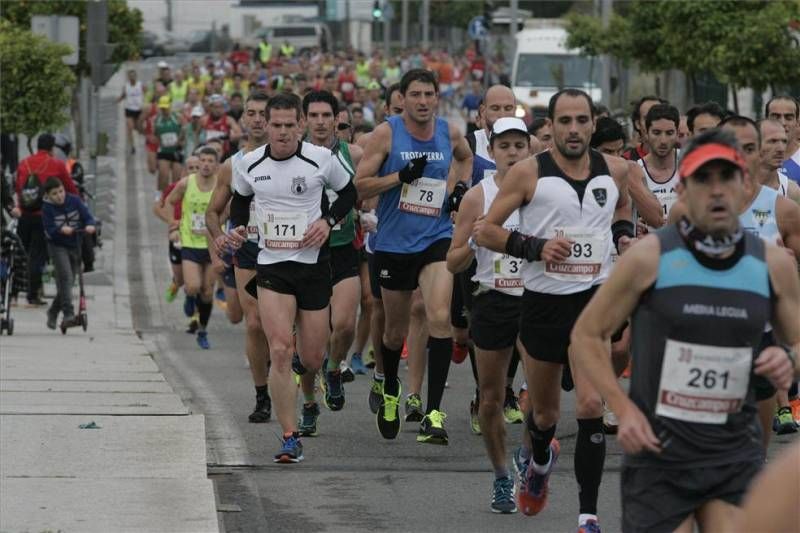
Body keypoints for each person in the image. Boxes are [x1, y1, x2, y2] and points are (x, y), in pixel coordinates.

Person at [571, 128, 800, 533]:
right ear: (683, 188)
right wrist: (621, 409)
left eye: (725, 178)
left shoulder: (772, 264)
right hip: (660, 453)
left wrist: (788, 359)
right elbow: (587, 334)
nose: (716, 191)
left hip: (732, 449)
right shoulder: (649, 258)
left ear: (744, 183)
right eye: (702, 179)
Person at [472, 88, 633, 531]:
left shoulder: (615, 170)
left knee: (588, 405)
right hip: (543, 303)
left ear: (593, 125)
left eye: (583, 121)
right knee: (543, 415)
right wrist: (535, 247)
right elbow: (485, 232)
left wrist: (621, 235)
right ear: (553, 125)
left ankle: (588, 515)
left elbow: (623, 206)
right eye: (566, 121)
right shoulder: (527, 174)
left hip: (593, 304)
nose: (575, 129)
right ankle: (539, 461)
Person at [226, 93, 357, 463]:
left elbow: (349, 193)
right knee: (280, 350)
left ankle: (311, 382)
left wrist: (327, 222)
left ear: (299, 125)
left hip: (314, 266)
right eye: (276, 125)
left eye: (289, 125)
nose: (282, 133)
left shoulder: (321, 159)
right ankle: (289, 436)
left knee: (311, 357)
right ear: (265, 125)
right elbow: (240, 200)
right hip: (272, 267)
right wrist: (237, 228)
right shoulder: (249, 164)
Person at [354, 69, 473, 445]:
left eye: (429, 94)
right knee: (393, 332)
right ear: (402, 99)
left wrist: (459, 191)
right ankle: (391, 387)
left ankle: (433, 413)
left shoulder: (449, 131)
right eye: (415, 94)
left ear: (438, 97)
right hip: (393, 244)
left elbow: (465, 159)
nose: (422, 101)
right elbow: (360, 185)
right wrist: (400, 177)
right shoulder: (386, 133)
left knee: (439, 317)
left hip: (436, 238)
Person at [669, 116, 800, 441]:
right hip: (700, 346)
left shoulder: (784, 209)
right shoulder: (685, 210)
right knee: (703, 453)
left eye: (750, 148)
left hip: (761, 340)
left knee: (754, 454)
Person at [447, 117, 531, 513]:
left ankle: (529, 456)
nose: (512, 153)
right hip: (493, 300)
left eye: (519, 145)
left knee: (544, 401)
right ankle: (501, 477)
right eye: (505, 146)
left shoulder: (546, 192)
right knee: (491, 398)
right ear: (492, 151)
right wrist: (474, 241)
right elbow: (452, 261)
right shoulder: (477, 197)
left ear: (529, 149)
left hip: (537, 300)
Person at [292, 90, 363, 434]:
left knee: (346, 324)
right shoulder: (292, 154)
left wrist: (367, 213)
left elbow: (363, 190)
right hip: (304, 254)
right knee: (309, 346)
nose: (320, 122)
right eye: (314, 116)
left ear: (336, 119)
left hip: (343, 248)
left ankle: (334, 368)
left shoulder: (355, 153)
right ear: (304, 120)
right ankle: (308, 404)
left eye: (326, 115)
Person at [206, 91, 274, 423]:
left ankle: (288, 368)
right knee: (256, 322)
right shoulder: (232, 165)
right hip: (249, 250)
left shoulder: (295, 156)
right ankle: (262, 396)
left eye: (264, 113)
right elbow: (212, 213)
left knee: (288, 326)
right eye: (252, 113)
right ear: (243, 119)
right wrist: (221, 242)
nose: (258, 119)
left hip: (290, 250)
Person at [12, 133, 79, 306]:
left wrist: (21, 204)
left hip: (25, 215)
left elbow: (19, 187)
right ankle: (32, 294)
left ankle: (11, 294)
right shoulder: (56, 164)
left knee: (20, 253)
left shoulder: (24, 163)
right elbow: (69, 189)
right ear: (51, 148)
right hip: (45, 216)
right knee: (38, 256)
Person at [165, 147, 219, 349]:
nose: (205, 164)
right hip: (189, 242)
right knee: (194, 286)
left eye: (210, 161)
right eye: (202, 160)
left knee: (207, 291)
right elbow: (170, 201)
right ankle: (189, 294)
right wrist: (174, 223)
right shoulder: (187, 182)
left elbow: (230, 210)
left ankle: (202, 330)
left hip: (213, 245)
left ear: (216, 164)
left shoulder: (221, 186)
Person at [41, 177, 96, 329]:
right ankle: (68, 313)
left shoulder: (74, 201)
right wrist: (60, 230)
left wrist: (90, 225)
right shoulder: (47, 209)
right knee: (65, 276)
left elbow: (87, 217)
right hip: (57, 246)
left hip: (75, 244)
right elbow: (49, 230)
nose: (59, 196)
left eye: (61, 191)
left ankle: (52, 311)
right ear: (48, 196)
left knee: (69, 282)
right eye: (54, 194)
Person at [637, 103, 681, 229]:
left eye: (669, 133)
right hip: (649, 245)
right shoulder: (636, 171)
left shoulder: (689, 164)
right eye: (656, 132)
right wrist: (633, 224)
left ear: (677, 133)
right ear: (646, 133)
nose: (663, 140)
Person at [759, 118, 800, 202]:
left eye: (784, 141)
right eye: (773, 141)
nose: (781, 149)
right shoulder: (738, 186)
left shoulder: (791, 191)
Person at [765, 95, 800, 184]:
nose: (782, 123)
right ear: (766, 120)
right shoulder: (754, 158)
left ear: (797, 122)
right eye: (776, 117)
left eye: (788, 118)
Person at [154, 95, 185, 192]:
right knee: (163, 176)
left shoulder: (177, 117)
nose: (164, 110)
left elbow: (184, 130)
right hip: (164, 151)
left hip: (176, 151)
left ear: (170, 106)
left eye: (166, 108)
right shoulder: (157, 120)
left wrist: (179, 141)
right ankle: (161, 197)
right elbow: (156, 134)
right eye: (162, 108)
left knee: (176, 179)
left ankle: (174, 199)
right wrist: (161, 143)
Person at [622, 95, 664, 161]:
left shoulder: (679, 158)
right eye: (647, 118)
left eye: (658, 118)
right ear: (638, 124)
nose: (653, 125)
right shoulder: (626, 161)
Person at [201, 94, 242, 159]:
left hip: (225, 153)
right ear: (210, 108)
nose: (218, 110)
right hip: (208, 153)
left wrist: (231, 137)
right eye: (216, 107)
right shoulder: (204, 120)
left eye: (220, 107)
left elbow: (239, 134)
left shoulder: (229, 120)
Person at [118, 69, 144, 154]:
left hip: (138, 109)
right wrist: (117, 100)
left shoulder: (140, 85)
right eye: (130, 76)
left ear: (136, 76)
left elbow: (148, 93)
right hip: (129, 109)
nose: (132, 77)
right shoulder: (126, 86)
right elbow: (123, 95)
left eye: (133, 75)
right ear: (128, 77)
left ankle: (144, 142)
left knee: (139, 128)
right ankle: (132, 146)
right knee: (130, 128)